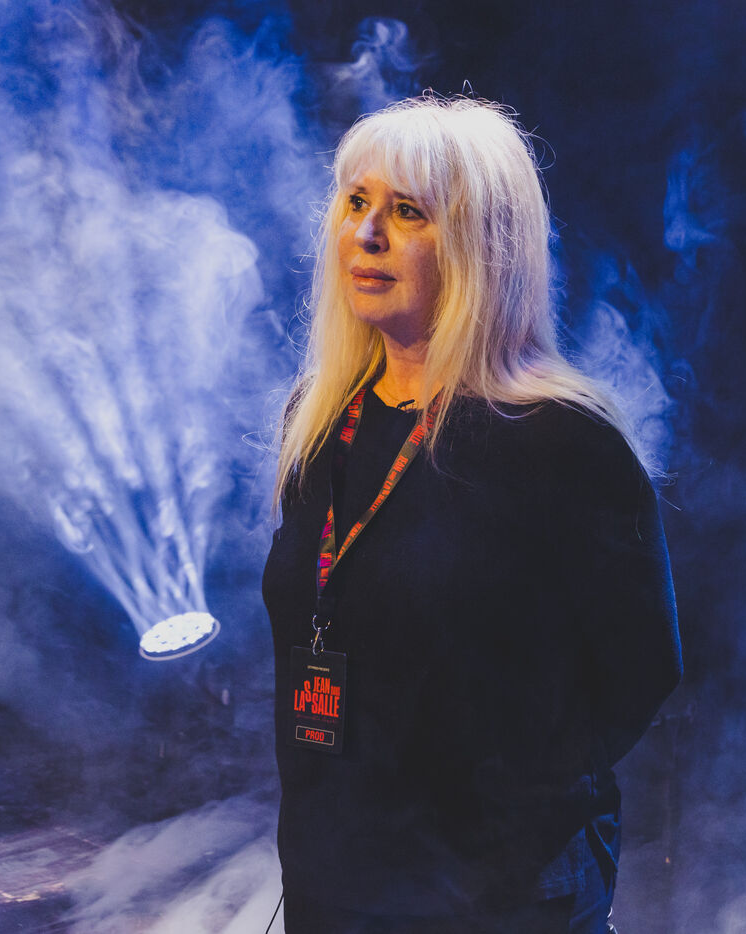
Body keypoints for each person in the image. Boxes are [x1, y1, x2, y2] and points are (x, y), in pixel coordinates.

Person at [262, 95, 682, 934]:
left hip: (498, 897)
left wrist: (505, 810)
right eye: (356, 202)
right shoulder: (321, 419)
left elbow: (641, 668)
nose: (366, 234)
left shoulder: (562, 440)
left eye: (408, 212)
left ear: (482, 247)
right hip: (335, 885)